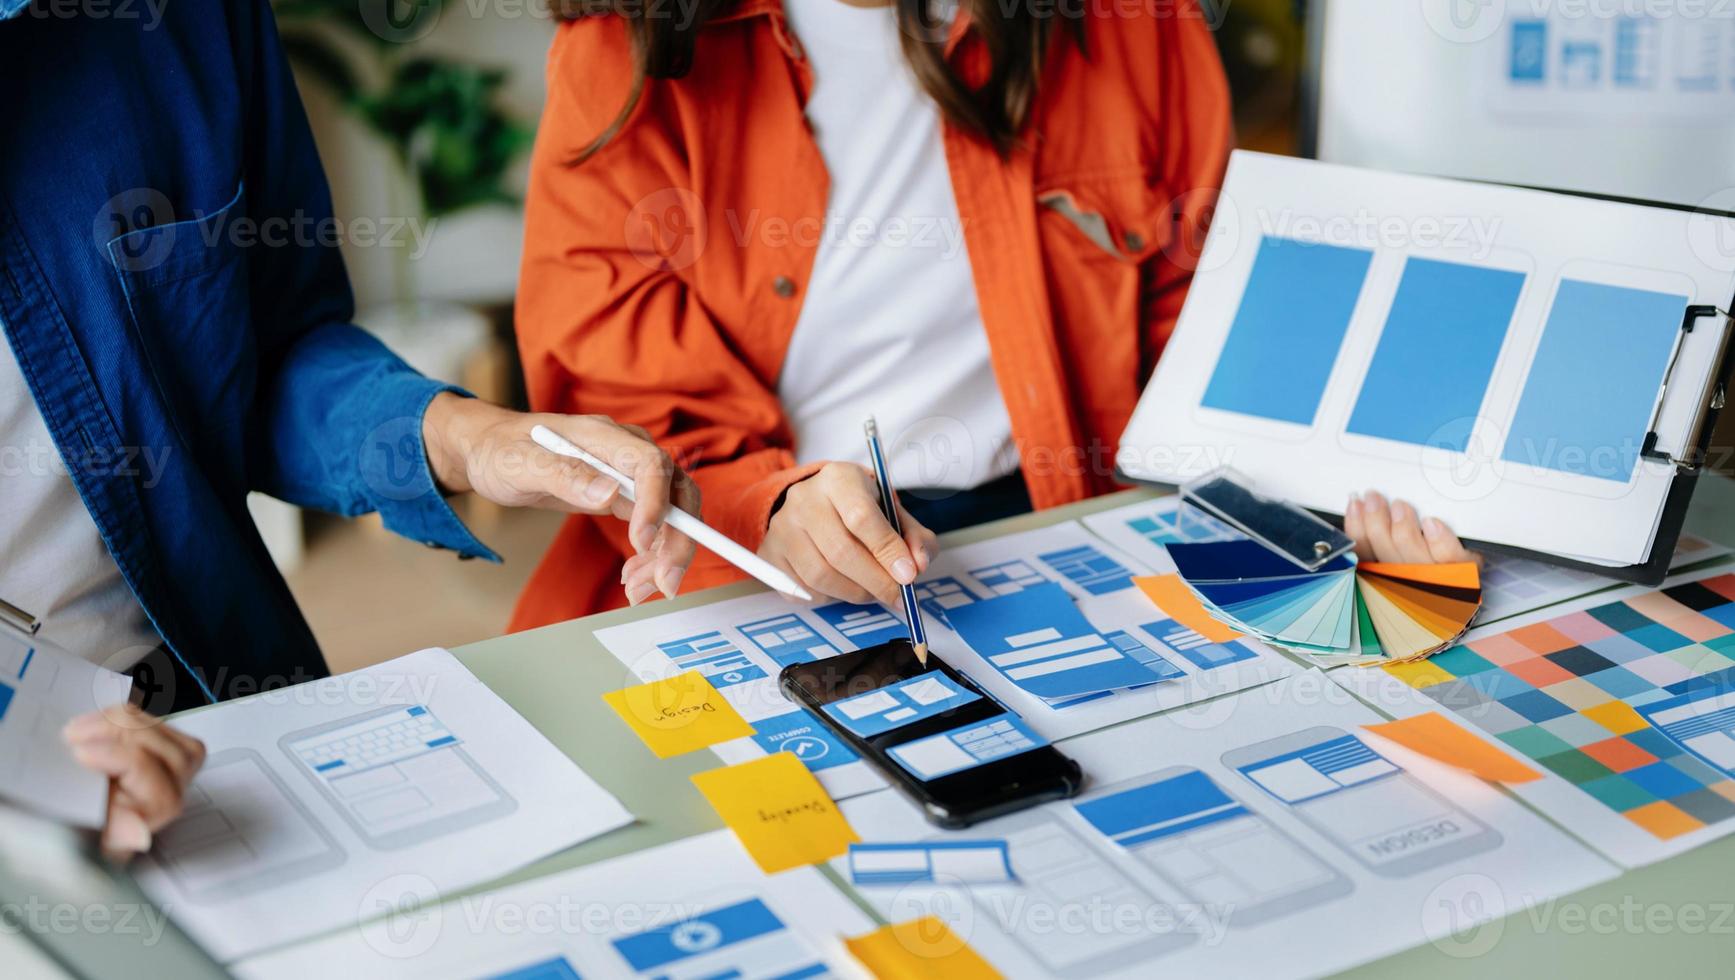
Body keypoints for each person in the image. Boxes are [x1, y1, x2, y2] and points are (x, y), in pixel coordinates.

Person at [509, 0, 1474, 629]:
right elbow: (620, 425)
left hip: (1085, 513)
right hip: (766, 554)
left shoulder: (1132, 22)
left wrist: (1334, 513)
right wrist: (772, 511)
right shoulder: (622, 51)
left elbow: (1221, 340)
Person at [0, 0, 697, 859]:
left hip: (207, 705)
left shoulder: (188, 21)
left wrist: (464, 436)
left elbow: (269, 352)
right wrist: (24, 761)